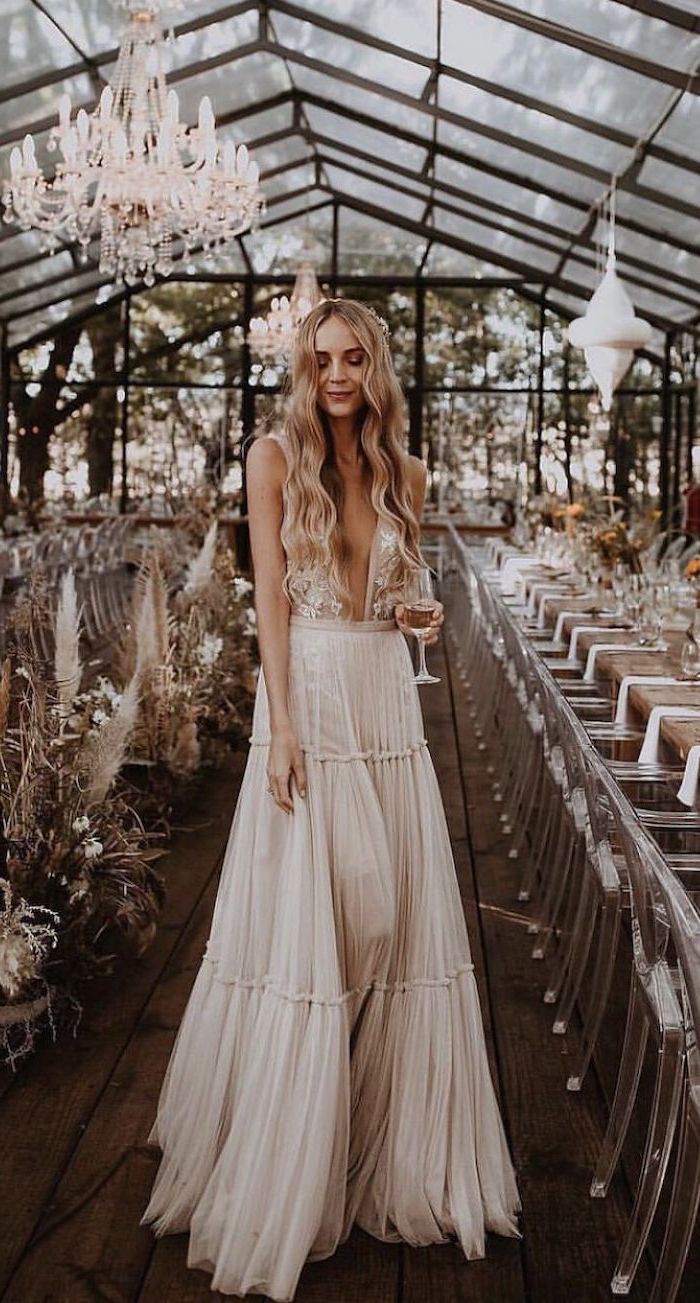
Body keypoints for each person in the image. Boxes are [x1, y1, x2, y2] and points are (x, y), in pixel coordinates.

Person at [142, 299, 520, 1300]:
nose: (340, 372)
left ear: (375, 366)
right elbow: (269, 594)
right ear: (306, 369)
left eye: (354, 357)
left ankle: (378, 1145)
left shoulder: (407, 470)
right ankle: (287, 1155)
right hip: (307, 702)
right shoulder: (275, 457)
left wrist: (421, 611)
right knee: (321, 930)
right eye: (325, 358)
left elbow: (403, 594)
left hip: (386, 702)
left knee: (389, 923)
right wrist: (281, 728)